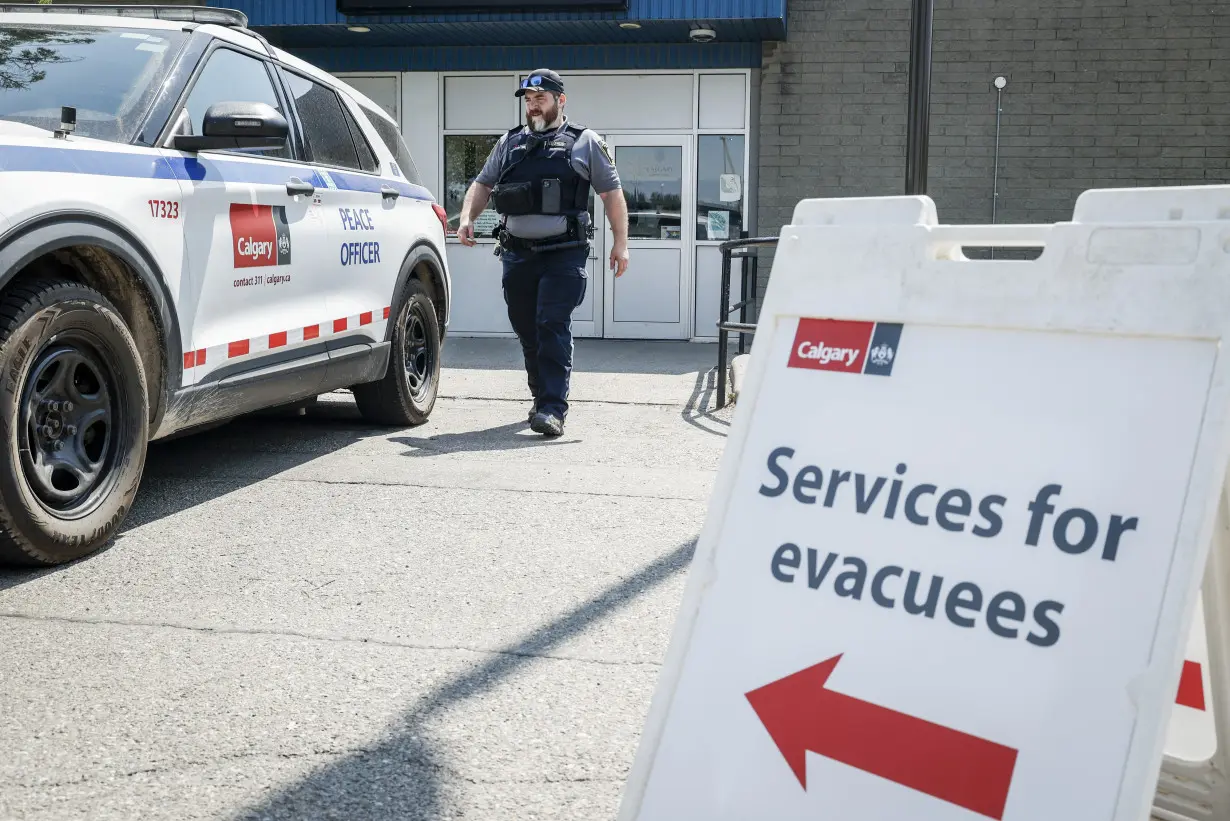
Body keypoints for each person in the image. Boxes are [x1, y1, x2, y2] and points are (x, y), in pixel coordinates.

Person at [456, 68, 629, 437]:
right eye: (529, 100)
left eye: (541, 99)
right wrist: (468, 217)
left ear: (560, 100)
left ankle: (553, 408)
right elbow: (483, 183)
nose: (533, 107)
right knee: (526, 328)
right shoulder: (509, 142)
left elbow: (612, 195)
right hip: (517, 254)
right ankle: (540, 398)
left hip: (563, 253)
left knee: (551, 323)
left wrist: (621, 243)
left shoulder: (584, 142)